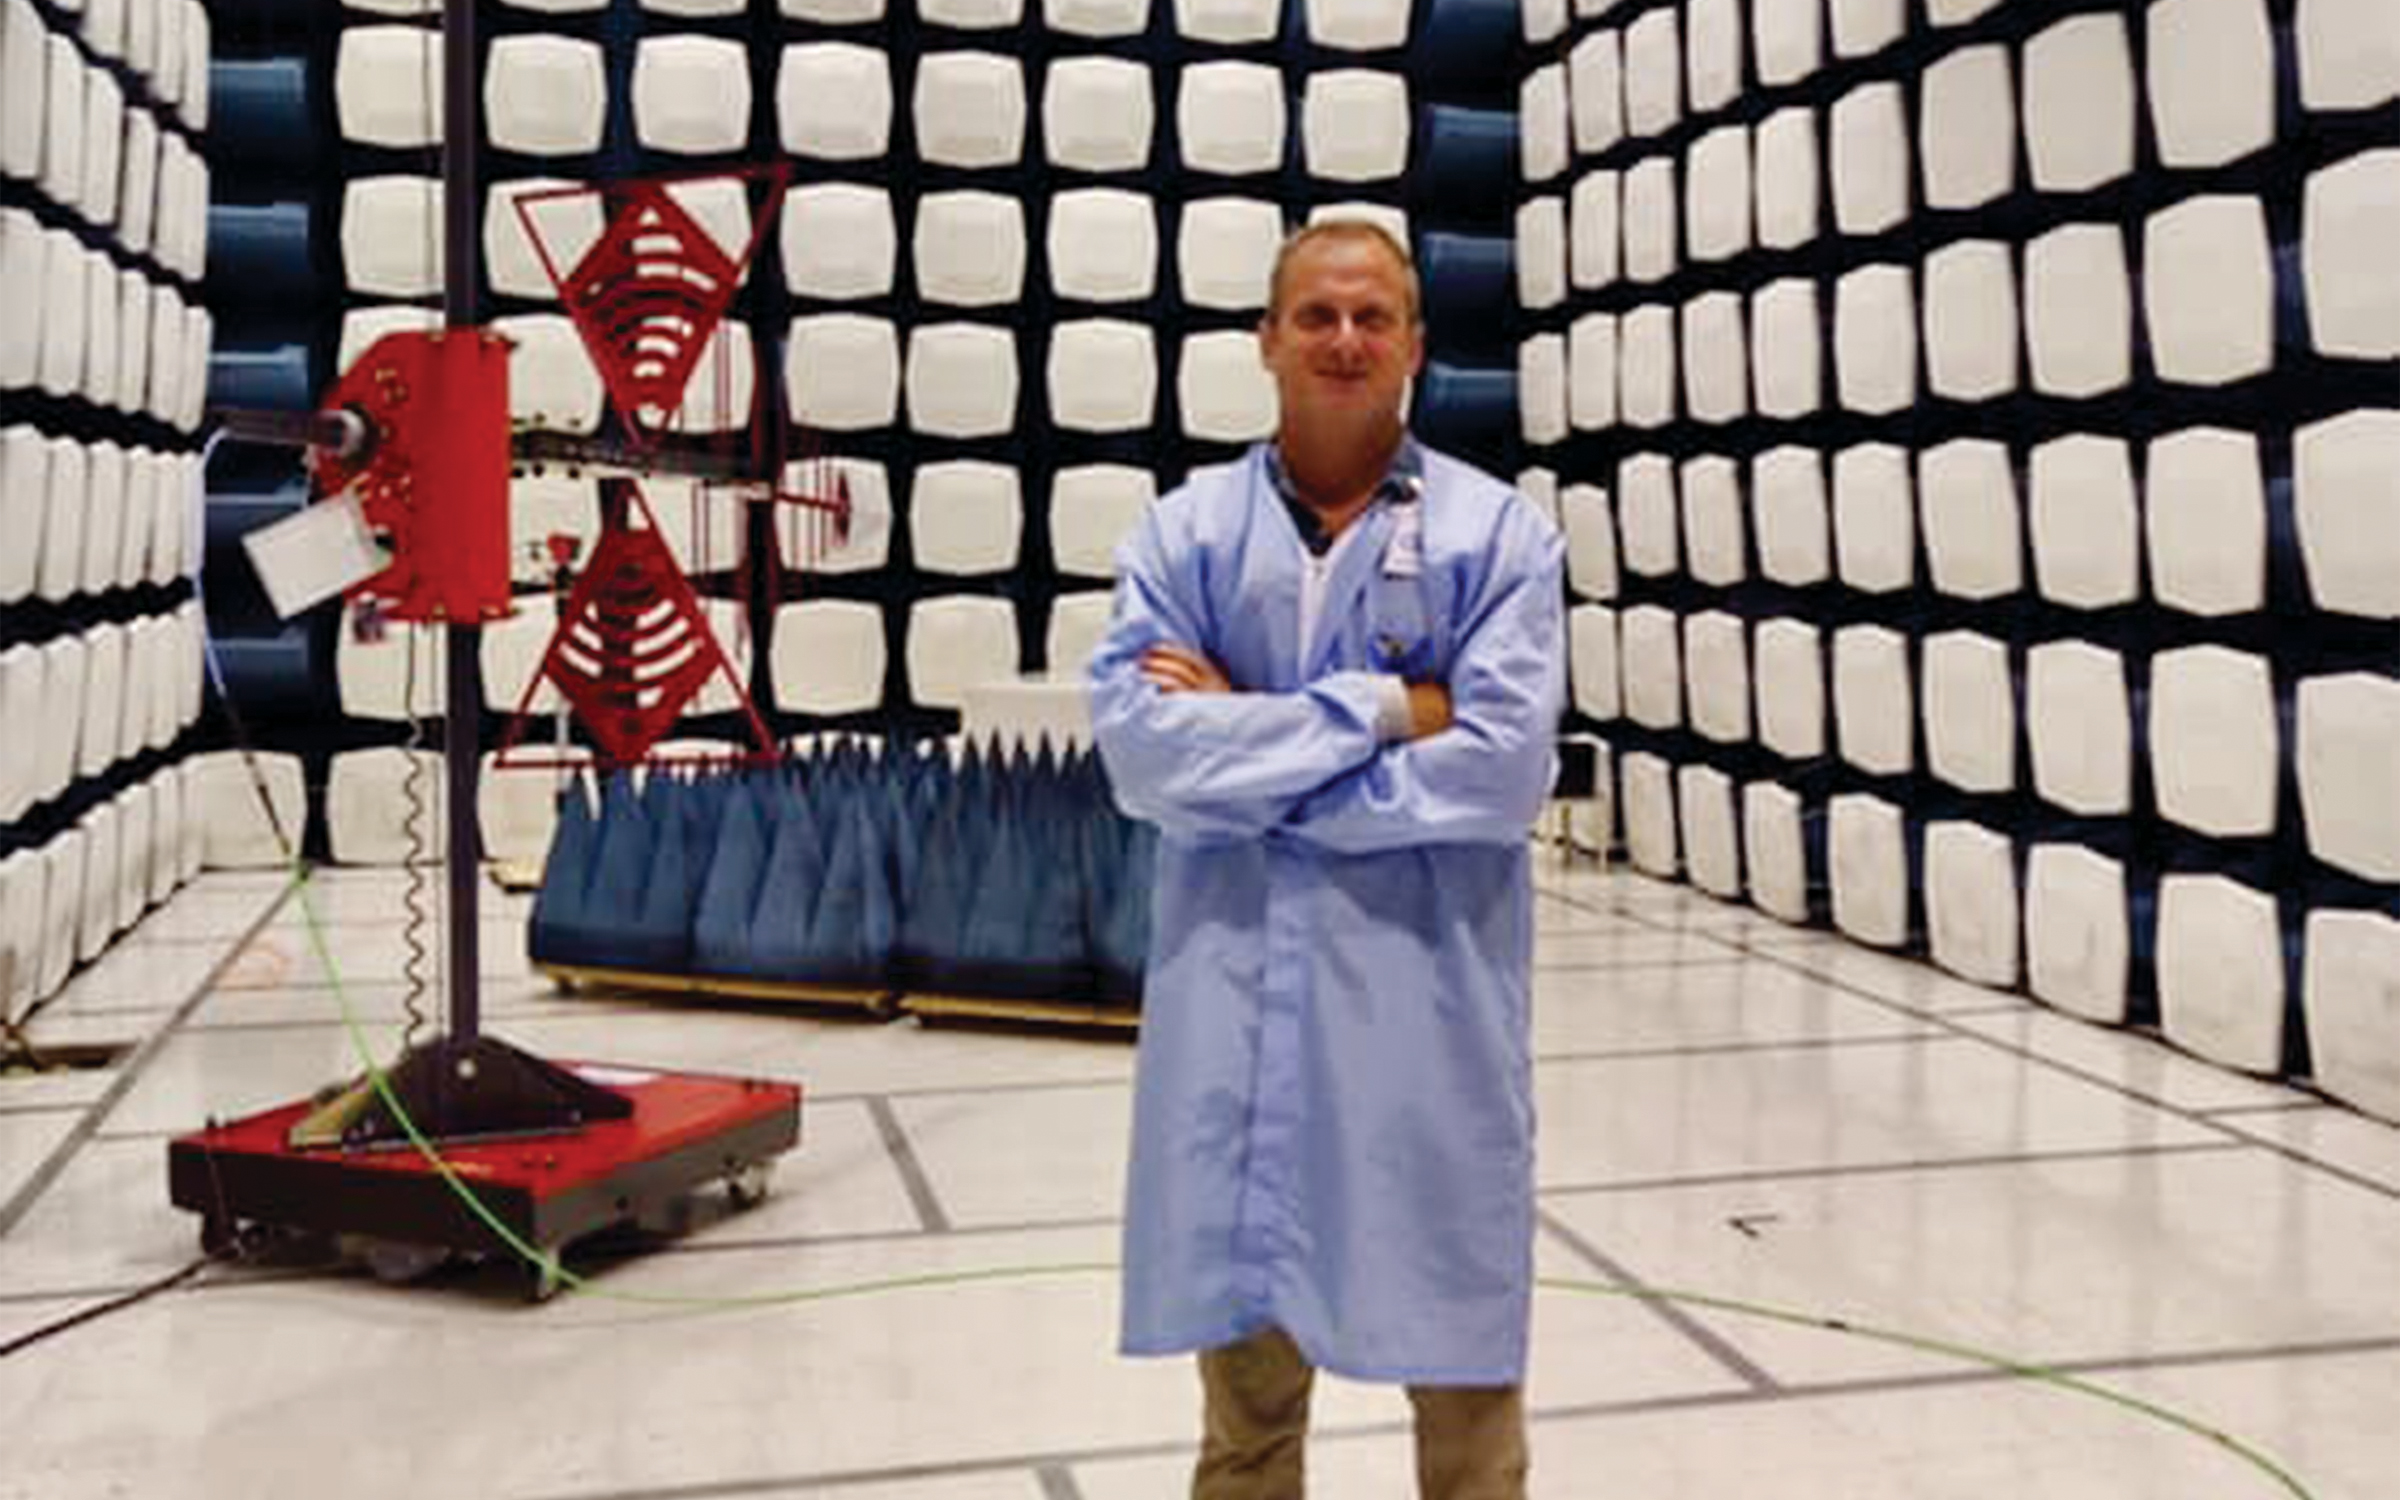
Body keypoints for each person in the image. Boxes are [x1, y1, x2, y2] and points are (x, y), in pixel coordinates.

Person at [1087, 219, 1567, 1500]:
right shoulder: (1183, 536)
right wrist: (1387, 709)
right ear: (1267, 340)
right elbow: (1144, 759)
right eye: (1316, 316)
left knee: (1468, 1418)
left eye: (1372, 317)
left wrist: (1249, 747)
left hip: (1429, 1025)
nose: (1344, 340)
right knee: (1245, 1424)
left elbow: (1499, 775)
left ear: (1415, 344)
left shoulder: (1500, 539)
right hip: (1236, 1018)